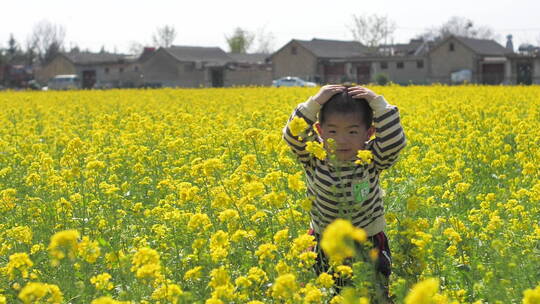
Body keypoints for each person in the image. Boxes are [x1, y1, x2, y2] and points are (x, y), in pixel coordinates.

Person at [282, 85, 406, 303]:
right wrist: (315, 102)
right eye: (332, 131)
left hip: (367, 242)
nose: (342, 140)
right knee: (327, 295)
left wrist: (378, 102)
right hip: (324, 243)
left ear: (368, 133)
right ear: (319, 131)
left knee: (373, 295)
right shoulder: (315, 157)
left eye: (352, 131)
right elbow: (293, 134)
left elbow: (394, 141)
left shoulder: (371, 159)